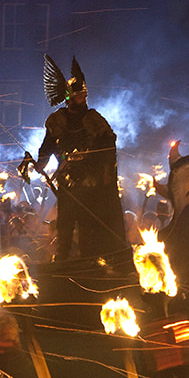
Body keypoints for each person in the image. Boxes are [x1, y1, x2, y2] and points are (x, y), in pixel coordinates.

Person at [30, 55, 127, 261]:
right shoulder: (58, 120)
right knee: (65, 222)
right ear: (69, 98)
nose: (83, 100)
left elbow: (108, 149)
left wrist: (101, 171)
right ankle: (62, 258)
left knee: (87, 225)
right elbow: (47, 145)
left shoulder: (94, 119)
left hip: (90, 183)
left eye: (84, 96)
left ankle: (87, 260)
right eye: (79, 97)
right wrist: (41, 162)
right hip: (67, 180)